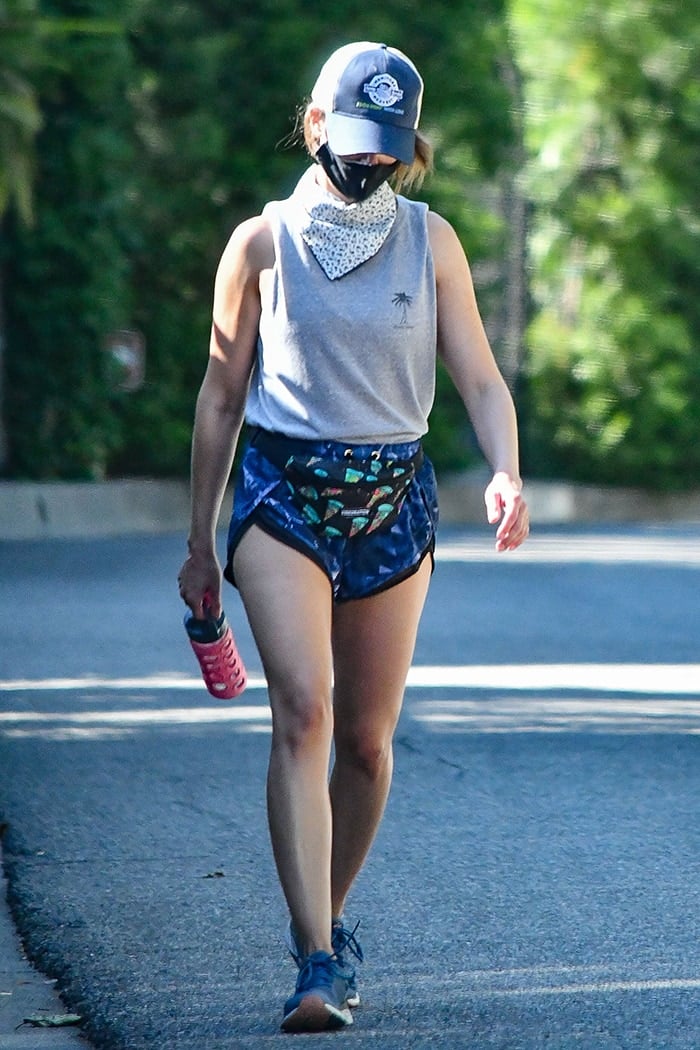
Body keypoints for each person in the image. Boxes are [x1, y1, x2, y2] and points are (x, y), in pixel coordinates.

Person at [178, 40, 529, 1034]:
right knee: (304, 711)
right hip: (281, 491)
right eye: (353, 138)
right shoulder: (261, 242)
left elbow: (479, 378)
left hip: (390, 497)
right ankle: (314, 958)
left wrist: (503, 468)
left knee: (368, 747)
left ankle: (329, 921)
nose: (369, 161)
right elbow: (218, 398)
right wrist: (201, 542)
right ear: (316, 122)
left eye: (390, 146)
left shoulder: (434, 240)